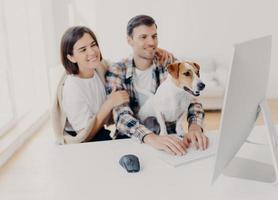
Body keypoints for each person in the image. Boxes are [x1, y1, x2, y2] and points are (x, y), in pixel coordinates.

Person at [106, 15, 208, 155]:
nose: (151, 42)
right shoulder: (118, 70)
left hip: (169, 138)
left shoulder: (168, 61)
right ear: (129, 40)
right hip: (132, 139)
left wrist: (195, 126)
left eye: (154, 36)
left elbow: (191, 96)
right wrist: (150, 138)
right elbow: (121, 115)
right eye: (143, 37)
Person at [52, 26, 129, 144]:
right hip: (81, 138)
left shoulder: (99, 67)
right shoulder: (72, 88)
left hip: (99, 130)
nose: (92, 52)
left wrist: (155, 53)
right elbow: (84, 136)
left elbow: (122, 66)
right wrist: (109, 104)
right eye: (83, 49)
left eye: (93, 45)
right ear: (71, 57)